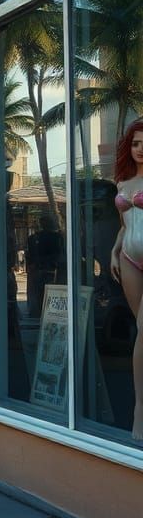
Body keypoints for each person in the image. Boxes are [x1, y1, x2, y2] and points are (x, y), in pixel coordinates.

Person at [109, 119, 143, 441]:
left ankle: (138, 415)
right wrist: (115, 249)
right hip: (128, 260)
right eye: (135, 143)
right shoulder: (122, 184)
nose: (140, 149)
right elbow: (124, 224)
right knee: (142, 334)